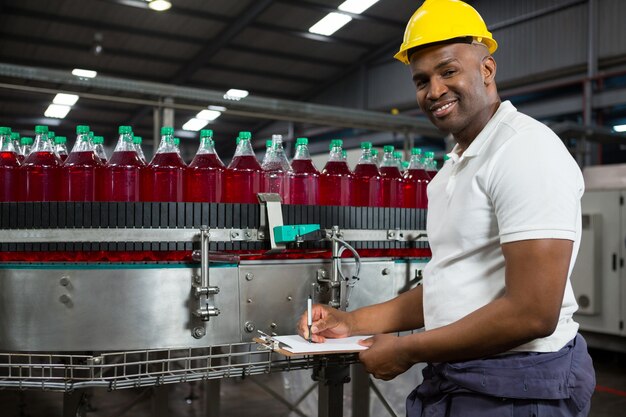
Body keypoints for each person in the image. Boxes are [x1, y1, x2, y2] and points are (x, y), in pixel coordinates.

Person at [297, 0, 596, 415]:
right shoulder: (453, 169)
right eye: (422, 80)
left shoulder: (525, 149)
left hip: (518, 387)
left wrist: (406, 350)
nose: (434, 91)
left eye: (448, 70)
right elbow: (450, 289)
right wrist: (353, 321)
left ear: (487, 70)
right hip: (464, 377)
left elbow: (533, 313)